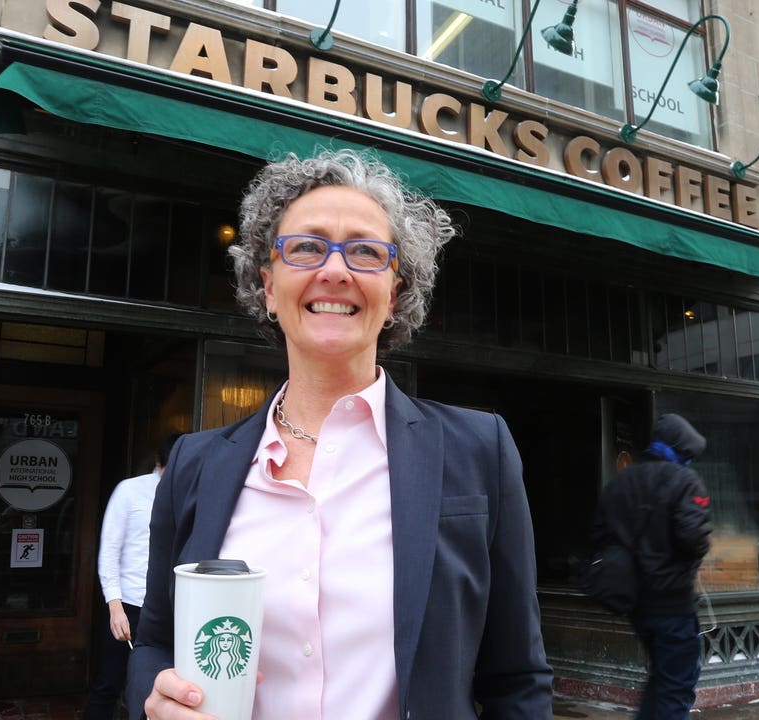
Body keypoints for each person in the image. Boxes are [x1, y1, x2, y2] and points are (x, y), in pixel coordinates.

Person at [126, 148, 552, 719]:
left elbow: (517, 678)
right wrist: (157, 697)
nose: (334, 270)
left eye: (365, 251)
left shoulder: (479, 450)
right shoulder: (194, 464)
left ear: (394, 295)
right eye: (306, 247)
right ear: (268, 285)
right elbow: (155, 639)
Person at [591, 413, 711, 720]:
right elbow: (694, 538)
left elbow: (601, 537)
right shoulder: (685, 481)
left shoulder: (620, 482)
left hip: (636, 605)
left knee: (661, 681)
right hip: (673, 603)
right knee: (676, 688)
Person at [85, 432, 182, 720]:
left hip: (169, 609)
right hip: (129, 605)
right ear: (158, 463)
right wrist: (115, 607)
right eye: (169, 470)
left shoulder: (190, 492)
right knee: (109, 683)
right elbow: (109, 552)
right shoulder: (129, 491)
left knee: (157, 690)